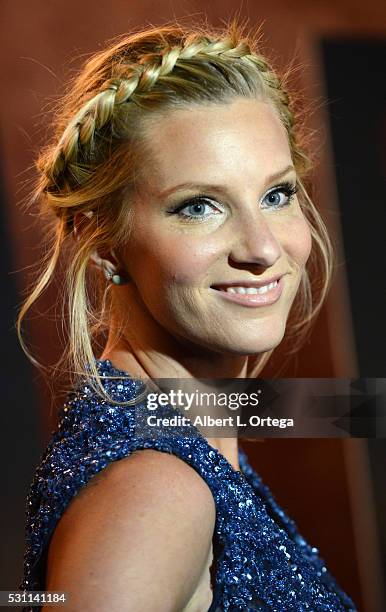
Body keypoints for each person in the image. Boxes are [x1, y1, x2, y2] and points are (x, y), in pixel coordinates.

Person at [17, 21, 357, 611]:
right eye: (199, 206)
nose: (262, 248)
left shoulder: (179, 413)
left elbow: (325, 410)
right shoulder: (153, 491)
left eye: (276, 195)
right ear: (103, 243)